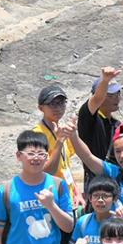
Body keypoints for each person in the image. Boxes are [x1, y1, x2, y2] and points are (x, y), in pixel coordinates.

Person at [34, 83, 83, 212]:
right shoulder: (38, 134)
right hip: (51, 198)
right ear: (41, 108)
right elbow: (45, 171)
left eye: (61, 103)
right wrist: (60, 141)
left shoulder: (62, 129)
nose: (58, 108)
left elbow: (65, 165)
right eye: (52, 104)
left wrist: (76, 191)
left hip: (67, 196)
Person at [77, 67, 123, 195]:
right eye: (111, 95)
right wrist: (105, 80)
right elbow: (97, 98)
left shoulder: (117, 124)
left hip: (116, 181)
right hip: (96, 184)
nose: (117, 98)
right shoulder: (89, 119)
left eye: (118, 94)